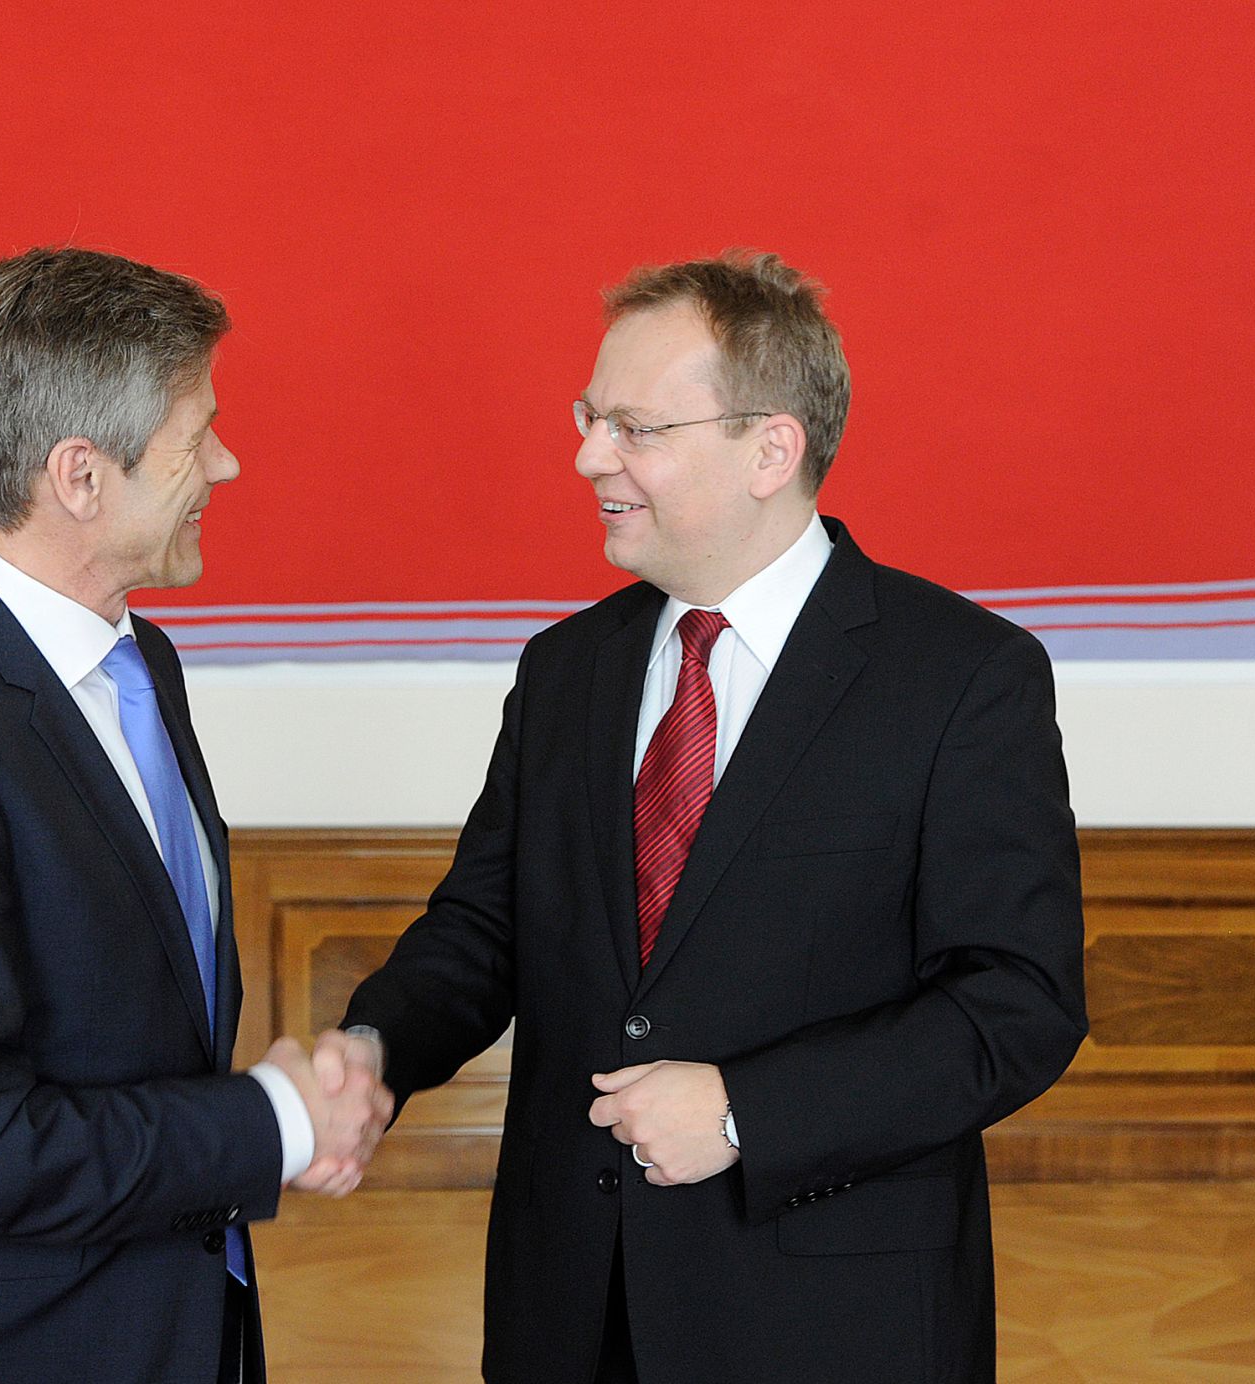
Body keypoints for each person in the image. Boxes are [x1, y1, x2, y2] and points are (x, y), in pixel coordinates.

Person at [337, 251, 1087, 1382]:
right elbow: (482, 930)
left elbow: (1015, 1003)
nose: (588, 456)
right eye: (590, 417)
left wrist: (747, 1110)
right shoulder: (564, 668)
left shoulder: (961, 677)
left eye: (633, 427)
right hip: (569, 1306)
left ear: (769, 449)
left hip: (829, 1316)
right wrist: (370, 1051)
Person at [0, 247, 391, 1384]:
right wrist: (271, 1126)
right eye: (196, 436)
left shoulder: (139, 661)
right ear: (80, 476)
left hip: (157, 1329)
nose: (227, 463)